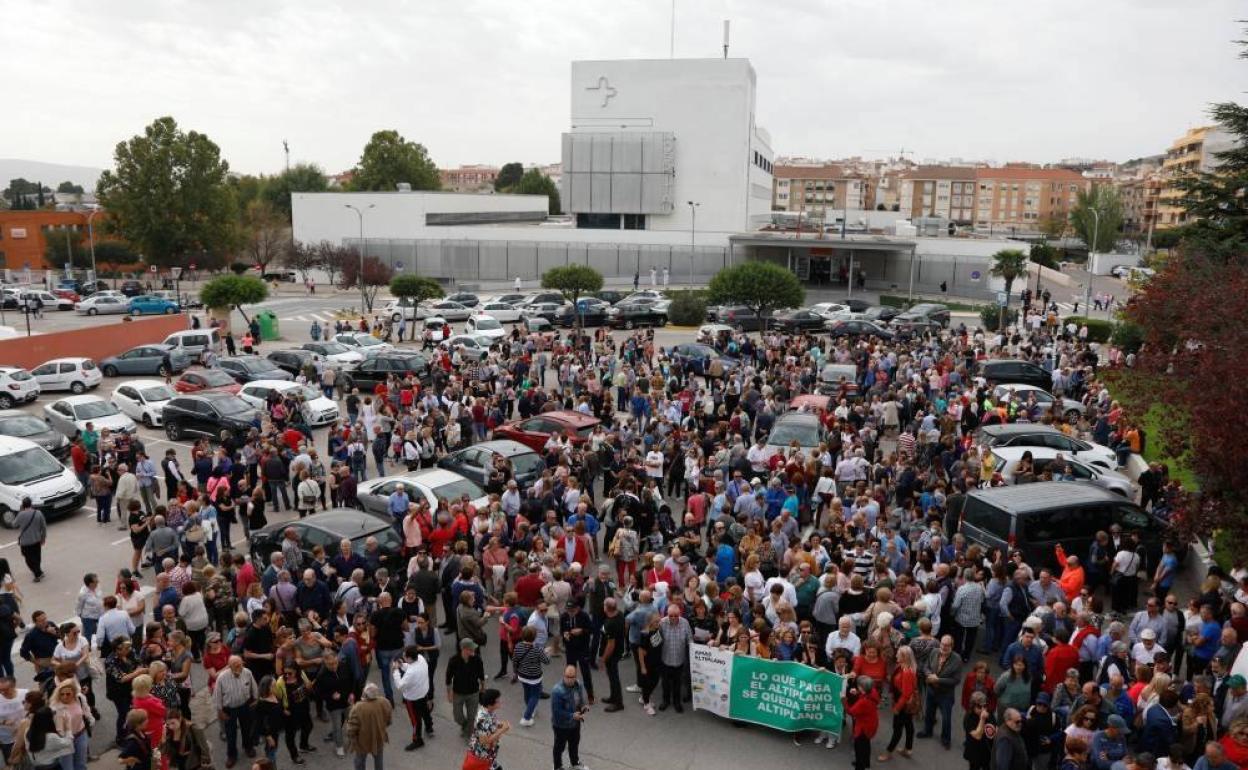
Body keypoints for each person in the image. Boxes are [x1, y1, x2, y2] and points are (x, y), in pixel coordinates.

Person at [212, 656, 258, 768]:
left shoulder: (247, 672)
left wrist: (256, 700)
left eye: (240, 664)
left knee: (247, 728)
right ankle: (232, 755)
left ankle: (248, 747)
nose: (238, 666)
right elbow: (217, 696)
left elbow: (254, 687)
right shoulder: (222, 678)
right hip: (229, 709)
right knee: (230, 733)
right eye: (235, 665)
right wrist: (220, 712)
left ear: (243, 663)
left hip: (244, 706)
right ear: (229, 666)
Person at [391, 645, 430, 751]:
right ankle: (429, 726)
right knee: (424, 710)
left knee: (415, 720)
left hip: (413, 698)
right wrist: (402, 665)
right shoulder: (420, 659)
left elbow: (400, 685)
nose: (403, 656)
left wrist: (395, 670)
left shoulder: (411, 672)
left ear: (409, 658)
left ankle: (417, 740)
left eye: (404, 656)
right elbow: (410, 666)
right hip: (423, 692)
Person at [345, 682, 391, 770]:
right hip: (378, 738)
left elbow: (351, 728)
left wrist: (352, 738)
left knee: (359, 762)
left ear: (365, 694)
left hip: (362, 741)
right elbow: (388, 720)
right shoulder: (385, 702)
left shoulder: (358, 707)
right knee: (378, 761)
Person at [447, 638, 485, 741]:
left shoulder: (477, 659)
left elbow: (481, 674)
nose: (474, 650)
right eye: (471, 648)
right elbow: (448, 677)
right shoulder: (454, 660)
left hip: (473, 692)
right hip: (458, 693)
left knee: (472, 716)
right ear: (464, 649)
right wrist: (449, 693)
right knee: (457, 717)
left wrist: (483, 687)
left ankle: (469, 734)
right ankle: (465, 725)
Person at [551, 665, 588, 770]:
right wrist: (572, 715)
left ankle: (574, 763)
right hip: (561, 725)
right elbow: (557, 712)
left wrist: (583, 706)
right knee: (559, 747)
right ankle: (557, 766)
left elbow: (580, 699)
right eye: (567, 676)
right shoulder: (557, 691)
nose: (570, 679)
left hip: (575, 723)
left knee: (574, 743)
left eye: (572, 677)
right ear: (564, 675)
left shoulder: (578, 685)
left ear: (576, 676)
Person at [466, 688, 508, 770]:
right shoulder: (482, 720)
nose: (500, 702)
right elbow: (484, 741)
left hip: (489, 756)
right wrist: (502, 730)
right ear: (490, 704)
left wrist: (499, 724)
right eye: (497, 701)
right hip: (482, 756)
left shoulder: (489, 711)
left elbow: (490, 723)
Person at [845, 674, 881, 770]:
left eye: (858, 686)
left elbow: (851, 711)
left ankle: (860, 766)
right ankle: (866, 763)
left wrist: (844, 701)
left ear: (862, 687)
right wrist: (858, 693)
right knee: (866, 744)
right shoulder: (873, 691)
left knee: (859, 748)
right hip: (871, 722)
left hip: (863, 727)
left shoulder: (863, 702)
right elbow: (866, 695)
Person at [12, 498, 46, 582]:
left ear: (23, 505)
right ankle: (39, 571)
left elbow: (14, 525)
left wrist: (20, 512)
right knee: (37, 556)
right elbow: (44, 527)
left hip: (25, 542)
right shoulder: (38, 513)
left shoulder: (21, 514)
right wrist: (43, 538)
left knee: (28, 559)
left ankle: (37, 574)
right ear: (31, 504)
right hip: (36, 540)